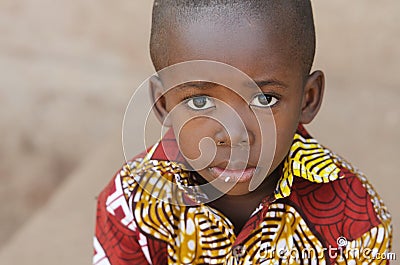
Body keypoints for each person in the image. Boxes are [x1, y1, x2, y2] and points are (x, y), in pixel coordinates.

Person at [93, 1, 392, 264]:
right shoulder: (130, 206)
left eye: (265, 99)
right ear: (163, 105)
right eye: (200, 101)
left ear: (308, 99)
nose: (234, 134)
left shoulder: (354, 215)